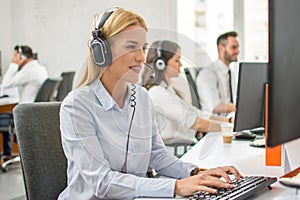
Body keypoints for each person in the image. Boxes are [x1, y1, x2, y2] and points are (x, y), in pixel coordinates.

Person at [58, 7, 241, 199]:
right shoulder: (77, 106)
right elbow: (102, 183)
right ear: (102, 51)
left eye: (143, 48)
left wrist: (196, 173)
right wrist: (176, 187)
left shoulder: (141, 97)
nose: (142, 57)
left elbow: (157, 156)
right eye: (131, 47)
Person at [141, 40, 232, 145]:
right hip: (175, 152)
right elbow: (196, 123)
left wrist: (229, 121)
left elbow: (199, 114)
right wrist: (229, 128)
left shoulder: (168, 90)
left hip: (185, 147)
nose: (180, 64)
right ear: (161, 64)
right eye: (177, 60)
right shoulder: (158, 93)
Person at [0, 45, 48, 163]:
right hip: (33, 113)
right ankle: (7, 154)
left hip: (25, 115)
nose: (13, 59)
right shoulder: (40, 68)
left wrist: (14, 64)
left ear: (22, 56)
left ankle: (6, 155)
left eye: (15, 56)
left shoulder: (29, 71)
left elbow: (6, 84)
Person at [196, 31, 239, 115]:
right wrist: (240, 107)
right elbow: (214, 106)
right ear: (221, 48)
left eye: (237, 47)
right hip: (215, 123)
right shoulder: (208, 73)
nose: (237, 51)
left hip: (229, 120)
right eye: (233, 47)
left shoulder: (230, 73)